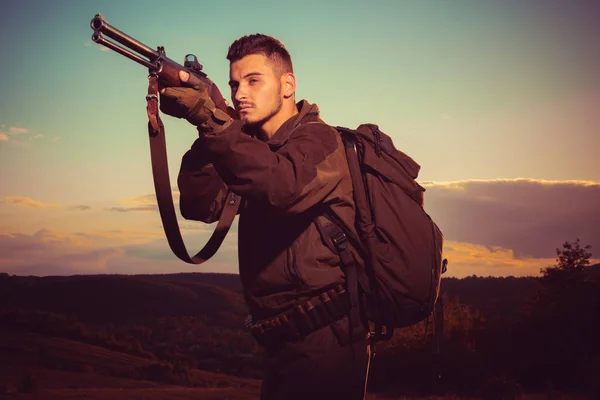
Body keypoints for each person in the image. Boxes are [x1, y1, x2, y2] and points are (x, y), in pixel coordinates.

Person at [159, 33, 372, 400]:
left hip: (327, 340)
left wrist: (214, 122)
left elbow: (280, 187)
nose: (240, 93)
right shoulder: (249, 148)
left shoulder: (320, 141)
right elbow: (199, 206)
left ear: (288, 85)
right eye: (234, 84)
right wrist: (208, 125)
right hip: (280, 344)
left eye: (254, 81)